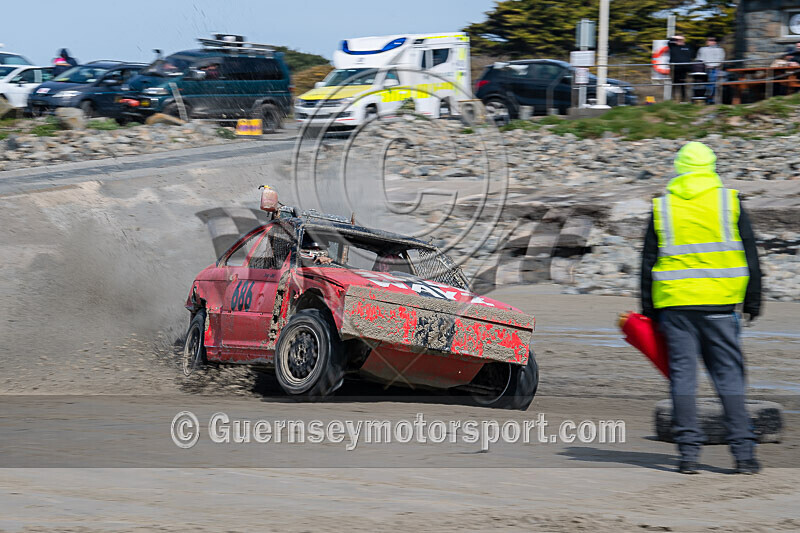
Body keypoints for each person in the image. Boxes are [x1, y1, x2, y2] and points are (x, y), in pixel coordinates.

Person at [640, 142, 763, 475]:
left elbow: (648, 260)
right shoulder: (728, 200)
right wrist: (753, 299)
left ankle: (688, 456)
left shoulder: (663, 206)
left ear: (679, 167)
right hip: (721, 304)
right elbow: (750, 252)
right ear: (712, 166)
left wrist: (648, 309)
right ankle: (744, 455)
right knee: (729, 379)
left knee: (683, 379)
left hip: (676, 305)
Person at [695, 37, 725, 103]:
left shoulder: (719, 50)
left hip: (714, 69)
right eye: (710, 40)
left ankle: (710, 99)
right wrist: (705, 65)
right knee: (706, 84)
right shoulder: (702, 49)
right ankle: (706, 99)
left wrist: (714, 65)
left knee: (712, 84)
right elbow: (699, 58)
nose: (711, 42)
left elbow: (721, 59)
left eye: (713, 40)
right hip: (704, 69)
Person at [668, 36, 693, 102]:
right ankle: (673, 99)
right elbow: (669, 41)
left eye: (680, 40)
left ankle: (683, 99)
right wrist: (675, 37)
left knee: (683, 84)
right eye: (677, 40)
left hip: (684, 68)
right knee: (674, 84)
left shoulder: (687, 47)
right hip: (675, 68)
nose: (678, 41)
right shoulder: (673, 46)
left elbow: (692, 55)